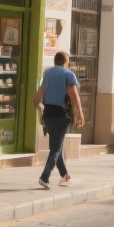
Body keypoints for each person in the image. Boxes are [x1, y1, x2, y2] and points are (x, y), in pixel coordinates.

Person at [35, 51, 84, 189]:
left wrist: (36, 102)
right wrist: (80, 113)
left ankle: (64, 175)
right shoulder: (69, 74)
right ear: (65, 62)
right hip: (62, 115)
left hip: (48, 113)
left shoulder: (48, 73)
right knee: (56, 149)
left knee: (57, 145)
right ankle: (45, 176)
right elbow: (74, 96)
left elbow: (41, 92)